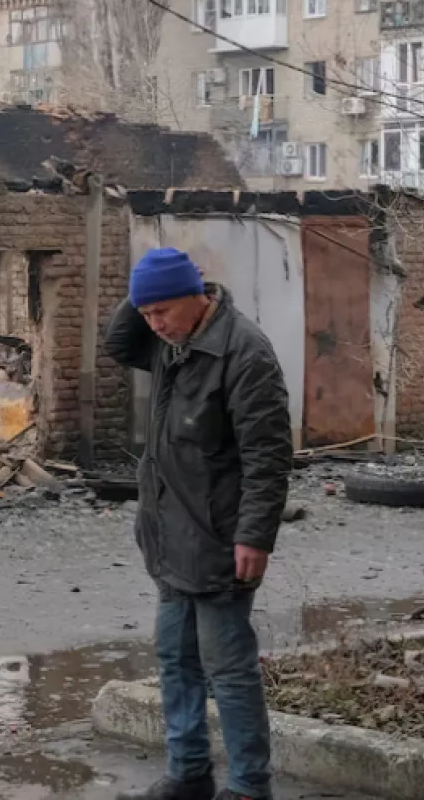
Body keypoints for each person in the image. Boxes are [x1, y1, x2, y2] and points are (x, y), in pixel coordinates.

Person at [105, 247, 293, 800]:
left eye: (162, 311)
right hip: (168, 534)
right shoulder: (170, 345)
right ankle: (189, 773)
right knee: (175, 659)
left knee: (228, 670)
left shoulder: (244, 353)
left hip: (219, 537)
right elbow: (119, 343)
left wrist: (255, 536)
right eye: (146, 314)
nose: (153, 325)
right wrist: (146, 288)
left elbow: (268, 455)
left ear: (199, 296)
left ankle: (248, 786)